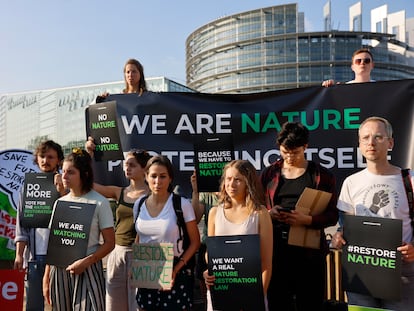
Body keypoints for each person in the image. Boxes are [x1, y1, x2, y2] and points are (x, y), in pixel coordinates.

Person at [331, 116, 414, 310]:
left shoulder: (409, 180)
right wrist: (339, 238)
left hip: (403, 273)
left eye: (378, 137)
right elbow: (346, 228)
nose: (371, 142)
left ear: (390, 142)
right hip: (361, 271)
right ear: (359, 144)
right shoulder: (351, 183)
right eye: (365, 137)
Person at [260, 122, 338, 311]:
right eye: (285, 152)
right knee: (278, 303)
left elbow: (333, 215)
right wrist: (270, 214)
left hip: (309, 254)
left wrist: (308, 220)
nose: (289, 157)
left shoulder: (321, 175)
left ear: (305, 147)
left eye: (294, 152)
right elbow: (256, 208)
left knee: (310, 304)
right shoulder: (269, 174)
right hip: (276, 252)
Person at [42, 148, 115, 311]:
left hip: (88, 269)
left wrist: (87, 262)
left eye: (70, 172)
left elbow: (110, 243)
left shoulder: (100, 202)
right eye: (63, 171)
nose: (64, 176)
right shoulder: (59, 203)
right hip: (59, 271)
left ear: (85, 174)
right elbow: (54, 244)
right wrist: (46, 277)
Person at [85, 140, 152, 311]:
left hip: (145, 253)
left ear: (144, 169)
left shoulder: (154, 195)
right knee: (113, 305)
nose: (127, 168)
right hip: (117, 252)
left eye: (132, 165)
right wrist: (89, 156)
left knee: (140, 306)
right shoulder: (119, 192)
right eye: (125, 165)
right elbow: (88, 185)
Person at [203, 160, 273, 310]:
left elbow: (266, 263)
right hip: (221, 294)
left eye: (238, 180)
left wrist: (256, 298)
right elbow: (211, 253)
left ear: (248, 183)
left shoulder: (260, 213)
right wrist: (208, 272)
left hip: (251, 297)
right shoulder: (214, 213)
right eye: (228, 179)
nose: (231, 184)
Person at [133, 155, 200, 310]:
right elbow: (140, 236)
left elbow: (195, 242)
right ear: (146, 177)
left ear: (170, 178)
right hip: (146, 273)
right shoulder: (139, 204)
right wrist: (135, 266)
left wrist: (175, 270)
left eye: (163, 176)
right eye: (153, 176)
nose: (158, 181)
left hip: (175, 275)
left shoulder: (181, 204)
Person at [14, 140, 65, 311]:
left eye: (50, 157)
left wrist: (62, 190)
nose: (45, 160)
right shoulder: (28, 186)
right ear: (37, 158)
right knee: (33, 305)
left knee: (60, 303)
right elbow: (21, 224)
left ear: (58, 160)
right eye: (42, 156)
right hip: (34, 258)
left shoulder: (67, 184)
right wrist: (19, 255)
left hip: (60, 257)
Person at [190, 171, 220, 307]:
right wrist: (196, 191)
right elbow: (195, 217)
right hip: (208, 248)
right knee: (209, 297)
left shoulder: (238, 191)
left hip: (234, 249)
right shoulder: (206, 194)